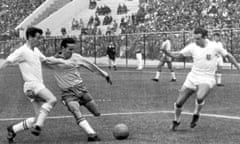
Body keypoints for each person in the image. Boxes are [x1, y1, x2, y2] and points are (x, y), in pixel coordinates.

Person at [160, 27, 240, 131]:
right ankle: (176, 120)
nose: (196, 41)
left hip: (207, 78)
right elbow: (177, 55)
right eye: (194, 39)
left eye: (198, 39)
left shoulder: (214, 46)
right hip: (193, 77)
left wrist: (238, 67)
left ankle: (196, 114)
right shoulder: (192, 47)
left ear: (205, 37)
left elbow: (228, 56)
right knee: (179, 102)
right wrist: (166, 52)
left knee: (200, 96)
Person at [43, 38, 113, 141]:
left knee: (96, 113)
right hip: (68, 93)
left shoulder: (77, 57)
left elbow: (91, 66)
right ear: (63, 48)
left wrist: (105, 75)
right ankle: (91, 134)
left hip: (81, 90)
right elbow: (43, 61)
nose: (72, 52)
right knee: (76, 111)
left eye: (73, 49)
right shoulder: (54, 60)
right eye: (70, 49)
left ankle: (80, 105)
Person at [0, 27, 58, 143]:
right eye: (38, 38)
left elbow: (45, 61)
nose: (39, 40)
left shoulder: (36, 50)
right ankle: (39, 126)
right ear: (30, 37)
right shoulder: (22, 51)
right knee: (52, 99)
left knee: (37, 118)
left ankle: (13, 129)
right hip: (32, 85)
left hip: (35, 87)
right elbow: (7, 61)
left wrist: (59, 65)